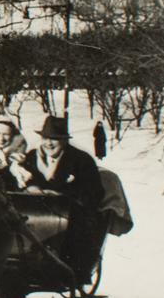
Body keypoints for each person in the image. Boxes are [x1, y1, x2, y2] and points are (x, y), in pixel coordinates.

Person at [22, 115, 107, 283]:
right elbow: (24, 177)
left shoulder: (81, 160)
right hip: (36, 212)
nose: (49, 144)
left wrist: (64, 196)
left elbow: (94, 191)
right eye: (46, 138)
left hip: (69, 213)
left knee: (77, 230)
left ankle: (70, 272)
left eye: (55, 139)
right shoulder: (32, 157)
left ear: (64, 141)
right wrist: (31, 187)